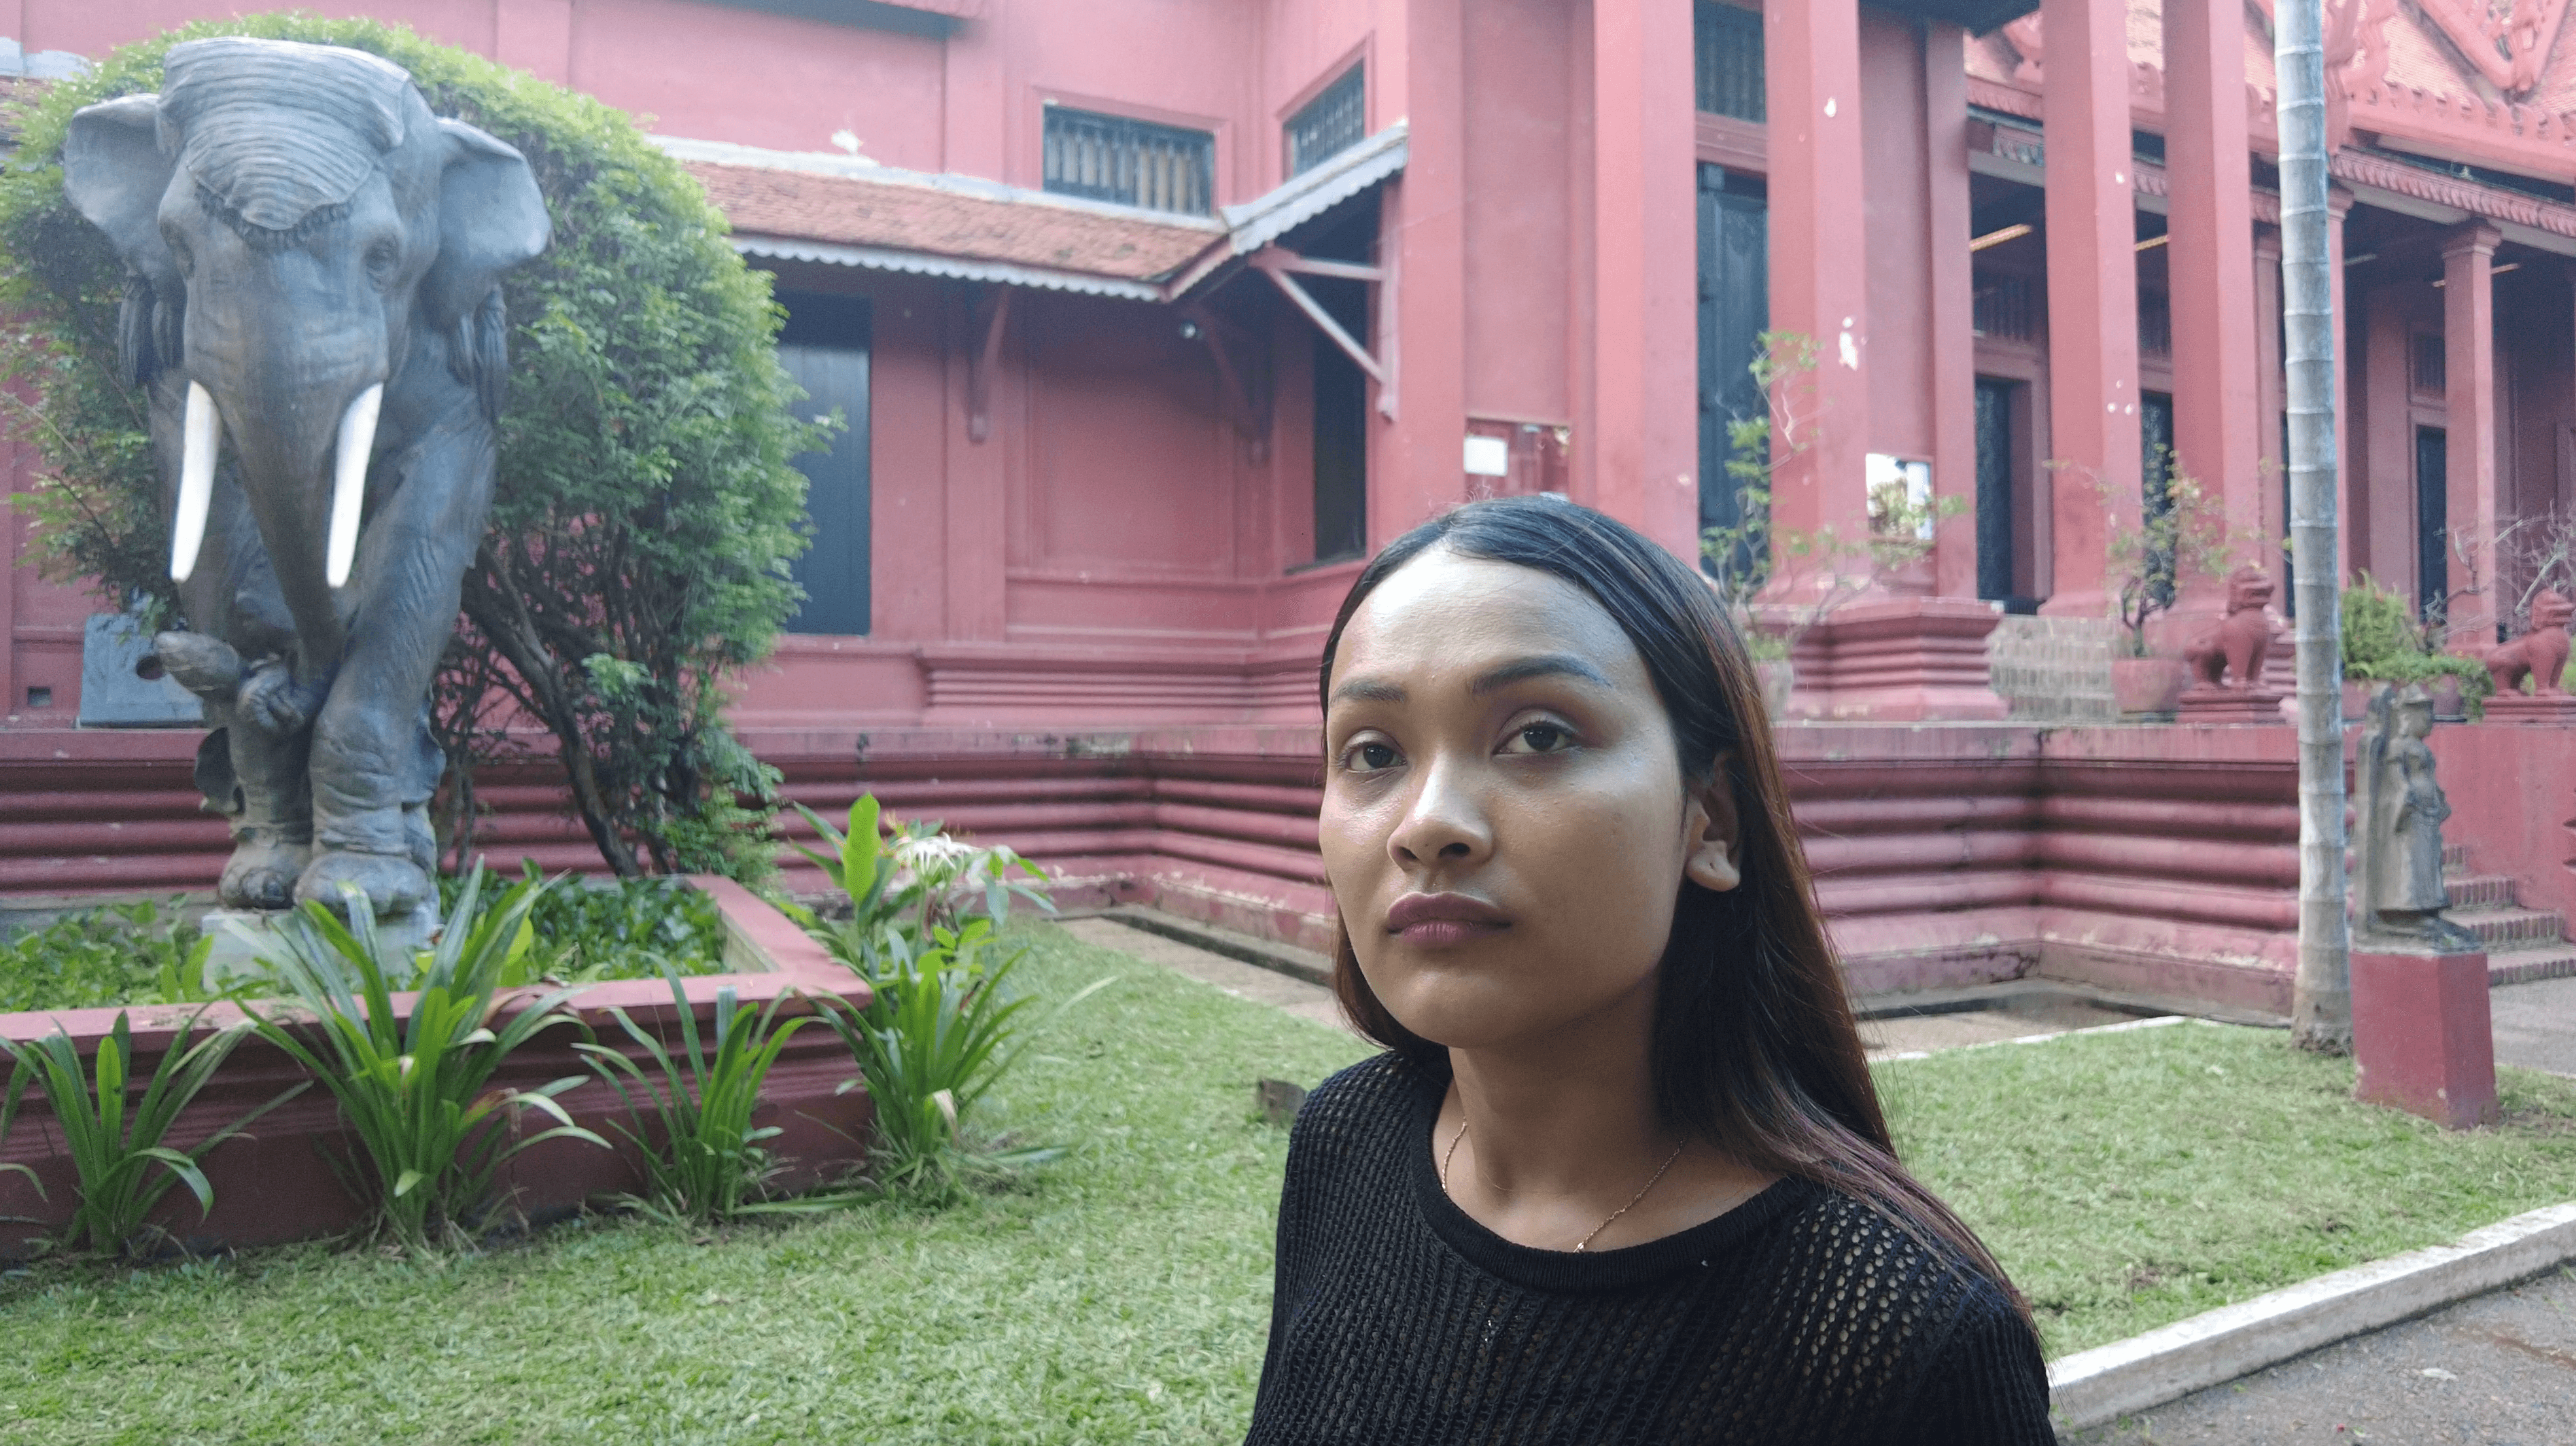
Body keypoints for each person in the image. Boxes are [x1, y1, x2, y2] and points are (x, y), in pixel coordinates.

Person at [1245, 495, 2053, 1444]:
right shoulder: (1346, 1140)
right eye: (1372, 752)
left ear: (1707, 821)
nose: (1426, 824)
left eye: (1538, 736)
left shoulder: (1894, 1334)